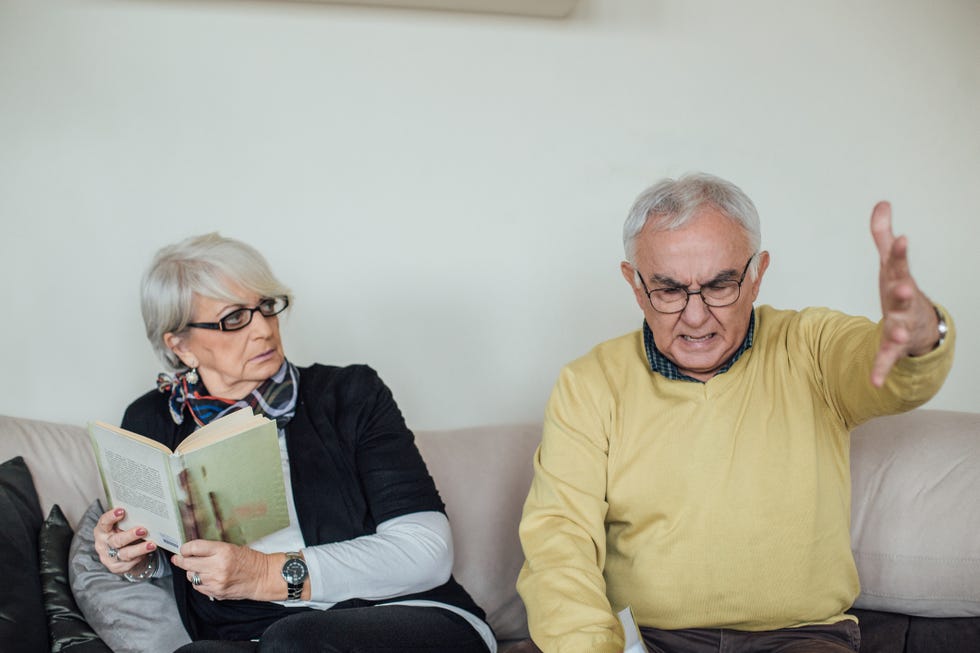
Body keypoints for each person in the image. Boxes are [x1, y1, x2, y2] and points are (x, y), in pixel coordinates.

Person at [517, 173, 954, 653]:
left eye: (720, 285)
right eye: (667, 291)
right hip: (647, 640)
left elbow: (891, 373)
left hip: (799, 638)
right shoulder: (590, 383)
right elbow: (560, 542)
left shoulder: (810, 347)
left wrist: (917, 332)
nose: (696, 315)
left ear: (757, 275)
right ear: (635, 285)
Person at [91, 233, 496, 653]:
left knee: (295, 641)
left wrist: (265, 573)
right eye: (234, 319)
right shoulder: (152, 419)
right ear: (181, 346)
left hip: (403, 615)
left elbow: (427, 552)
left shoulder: (350, 394)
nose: (264, 330)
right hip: (248, 634)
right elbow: (169, 550)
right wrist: (135, 557)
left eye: (266, 307)